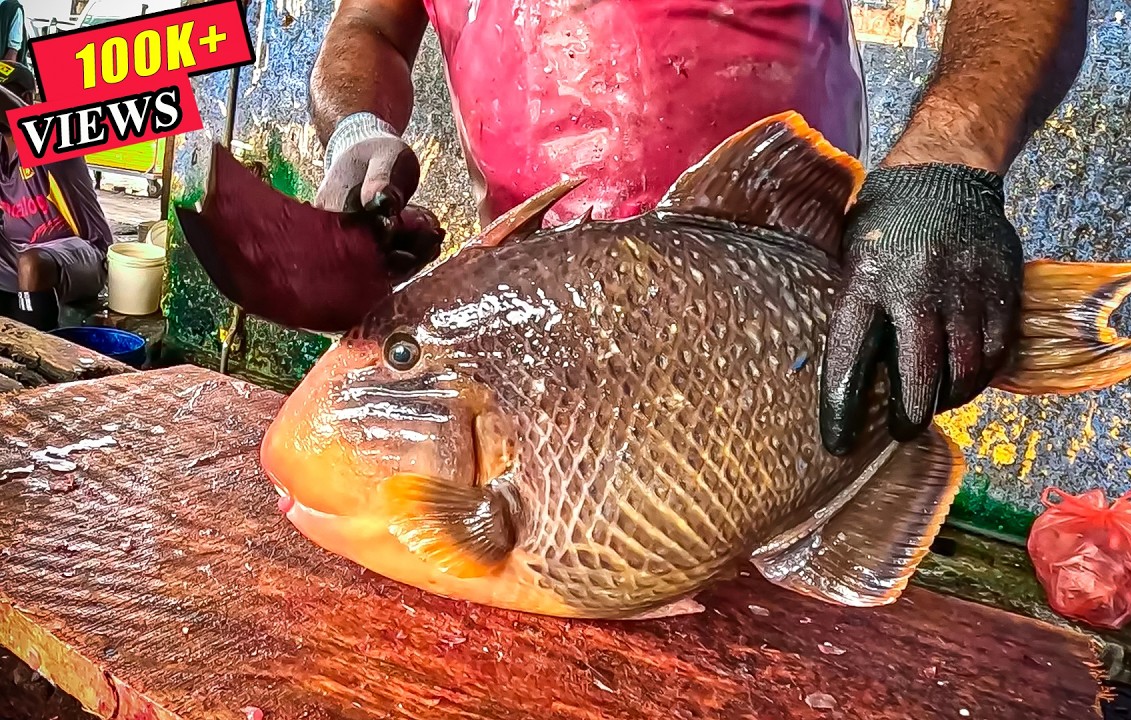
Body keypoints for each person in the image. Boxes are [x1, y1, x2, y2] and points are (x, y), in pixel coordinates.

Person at [308, 0, 1087, 451]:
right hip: (530, 356)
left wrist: (945, 157)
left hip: (775, 326)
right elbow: (369, 29)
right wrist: (357, 124)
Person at [0, 61, 112, 330]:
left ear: (26, 99)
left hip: (84, 253)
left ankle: (38, 355)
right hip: (16, 255)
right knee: (26, 260)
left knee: (32, 263)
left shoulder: (54, 136)